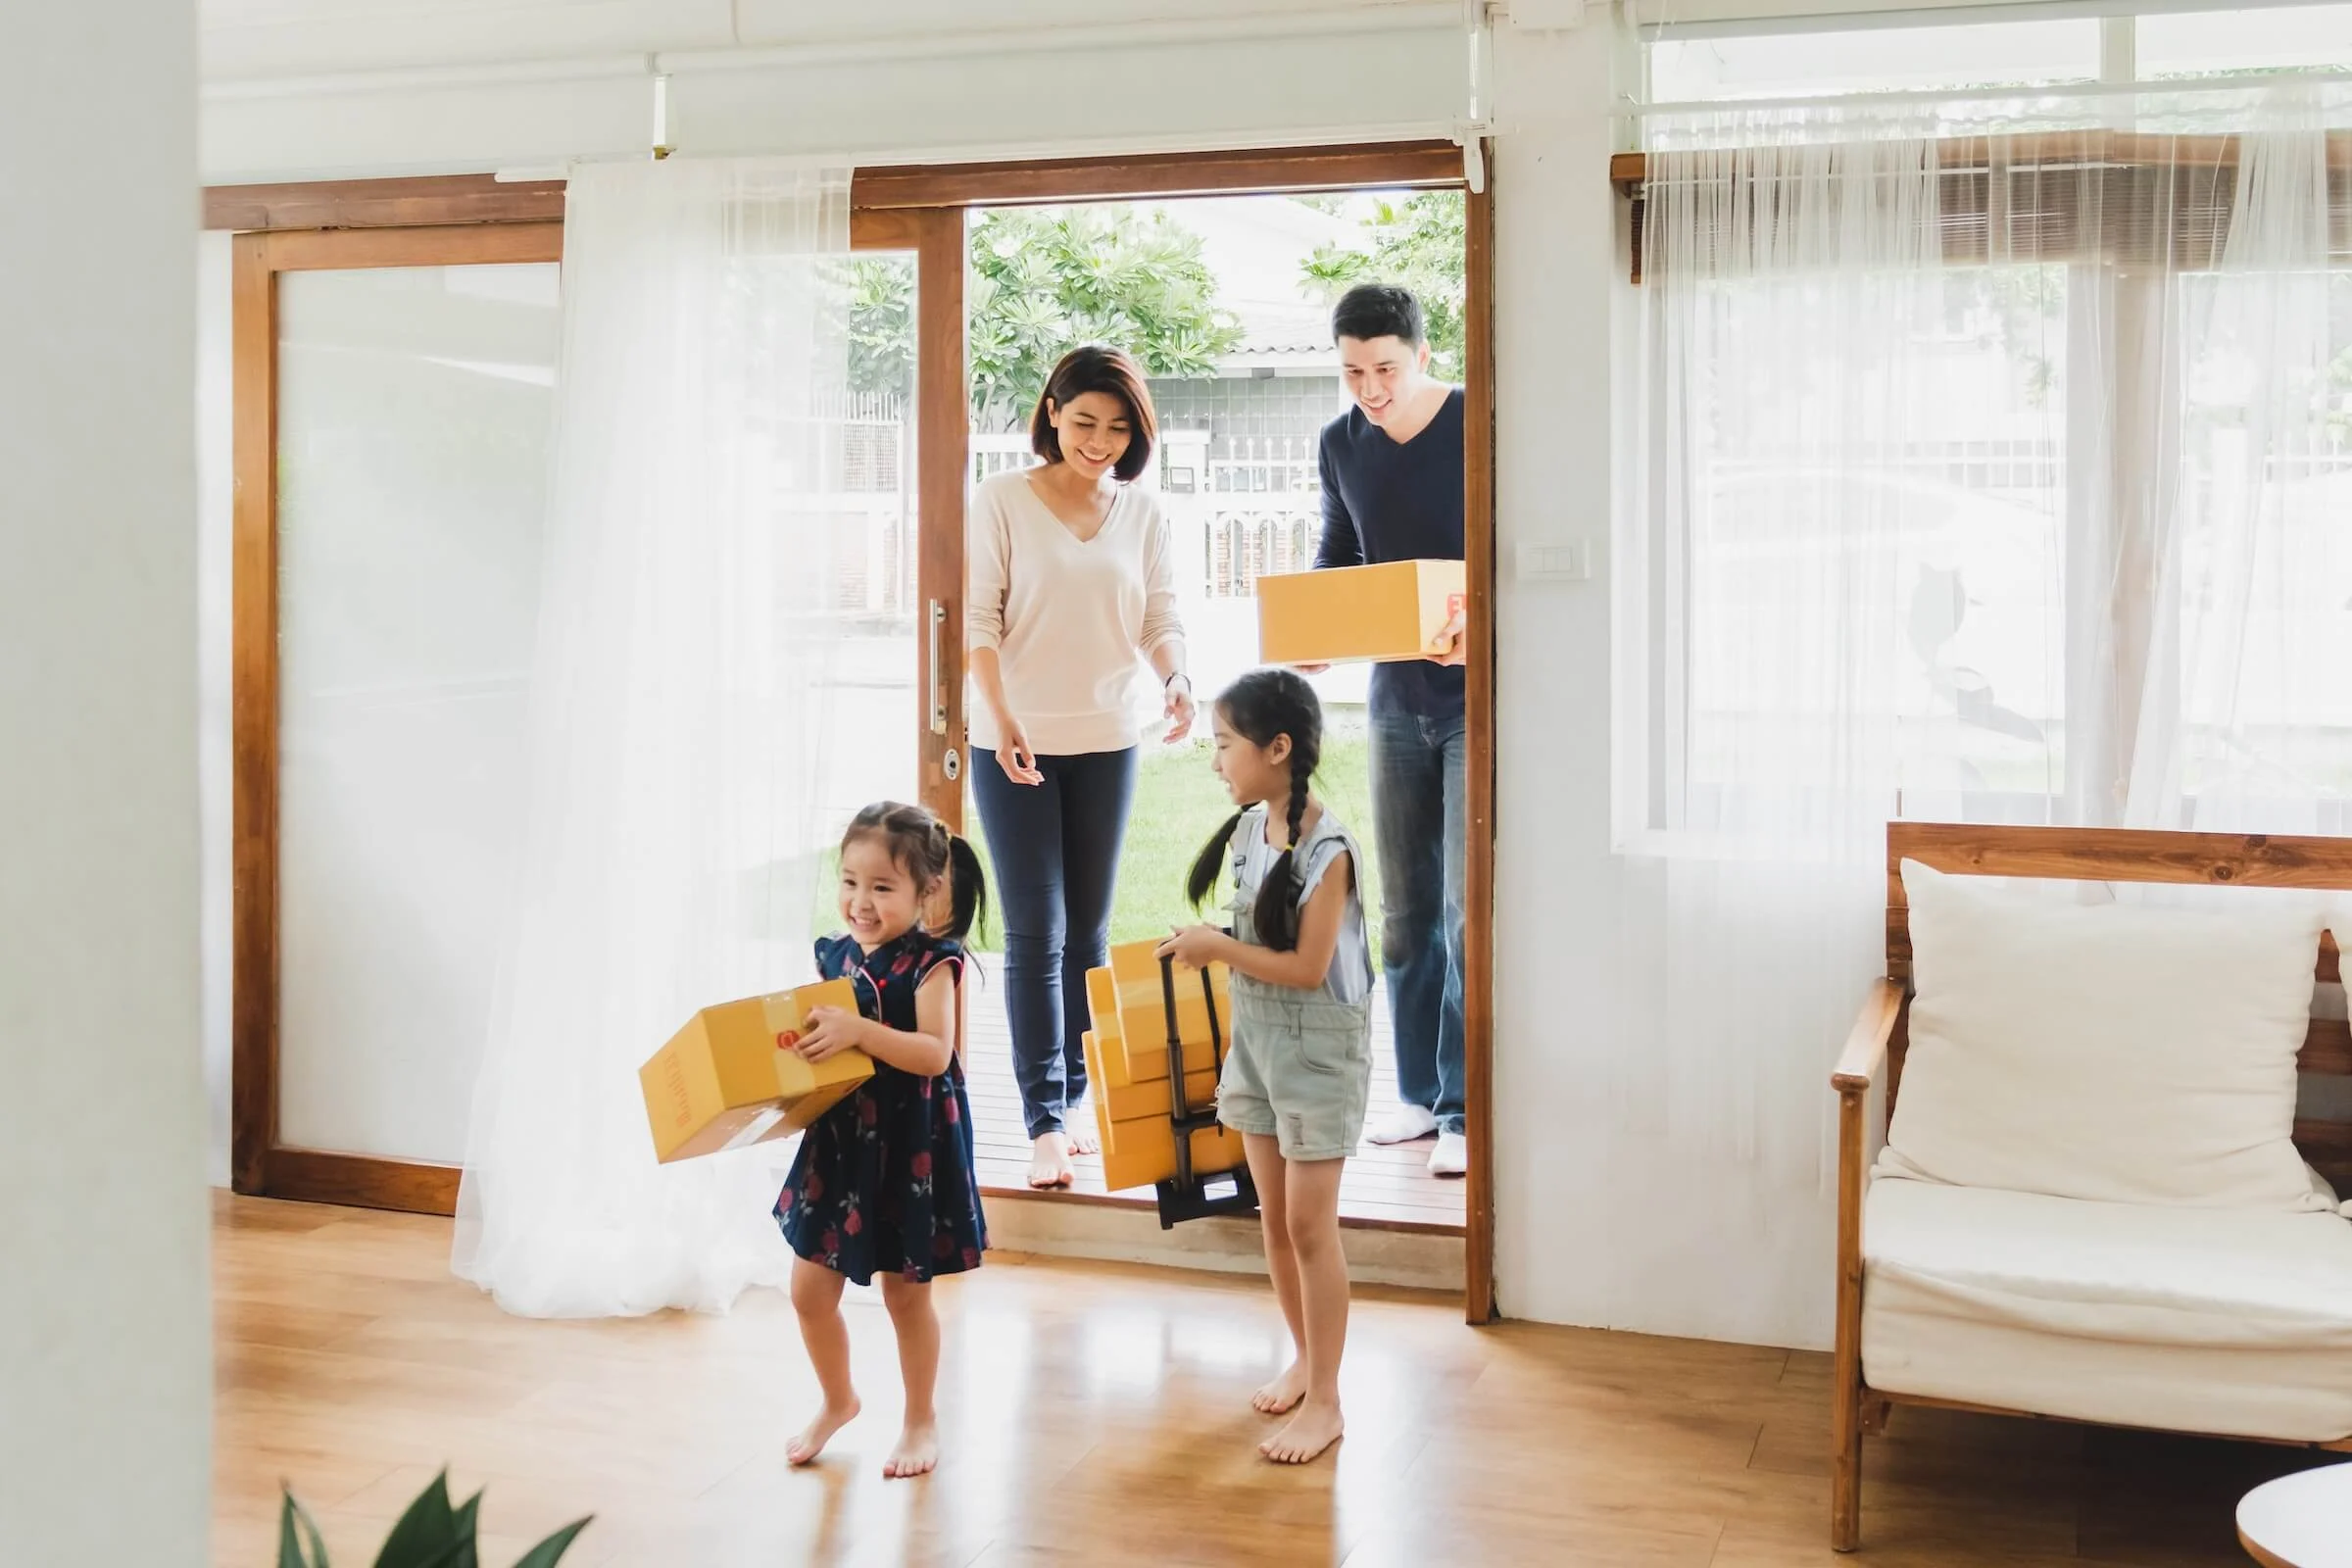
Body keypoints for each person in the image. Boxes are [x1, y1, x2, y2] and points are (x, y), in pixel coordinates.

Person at [967, 344, 1196, 1190]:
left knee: (1089, 935)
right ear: (1052, 413)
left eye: (1117, 428)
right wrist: (1003, 716)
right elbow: (981, 623)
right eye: (1084, 422)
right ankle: (1043, 1122)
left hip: (1108, 737)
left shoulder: (1141, 513)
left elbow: (1159, 613)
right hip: (1014, 742)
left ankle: (1074, 1091)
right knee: (1036, 932)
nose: (1098, 441)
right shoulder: (1001, 500)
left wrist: (1175, 678)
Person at [1159, 669, 1372, 1466]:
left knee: (1312, 1228)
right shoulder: (1252, 829)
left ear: (1277, 749)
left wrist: (1216, 948)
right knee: (1278, 1222)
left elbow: (1310, 967)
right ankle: (1307, 1361)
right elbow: (1258, 942)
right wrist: (1205, 941)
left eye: (1224, 745)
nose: (1216, 761)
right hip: (1257, 1046)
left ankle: (1328, 1402)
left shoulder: (1330, 850)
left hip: (1319, 1054)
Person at [773, 802, 988, 1479]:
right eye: (849, 882)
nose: (860, 902)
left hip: (910, 1146)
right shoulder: (832, 953)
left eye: (881, 888)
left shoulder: (933, 963)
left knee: (905, 1294)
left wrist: (860, 1032)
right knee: (808, 1291)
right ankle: (839, 1399)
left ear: (926, 892)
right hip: (842, 1144)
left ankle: (921, 1419)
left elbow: (935, 1053)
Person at [1311, 283, 1468, 1178]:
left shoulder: (1471, 420)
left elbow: (1506, 539)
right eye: (1352, 373)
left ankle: (1460, 1106)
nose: (1369, 389)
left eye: (1385, 369)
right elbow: (1340, 552)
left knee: (1459, 905)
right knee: (1405, 911)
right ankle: (1412, 1095)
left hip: (1471, 699)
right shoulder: (1341, 442)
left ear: (1422, 353)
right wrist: (1319, 630)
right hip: (1393, 702)